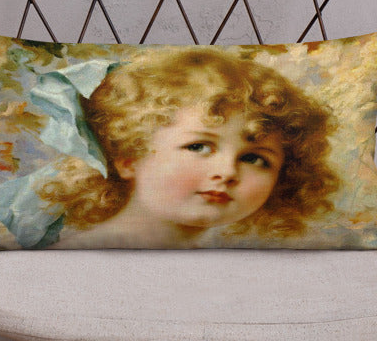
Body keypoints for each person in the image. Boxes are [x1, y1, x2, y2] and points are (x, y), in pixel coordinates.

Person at [40, 46, 339, 248]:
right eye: (198, 147)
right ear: (129, 157)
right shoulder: (82, 254)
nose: (227, 172)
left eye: (254, 158)